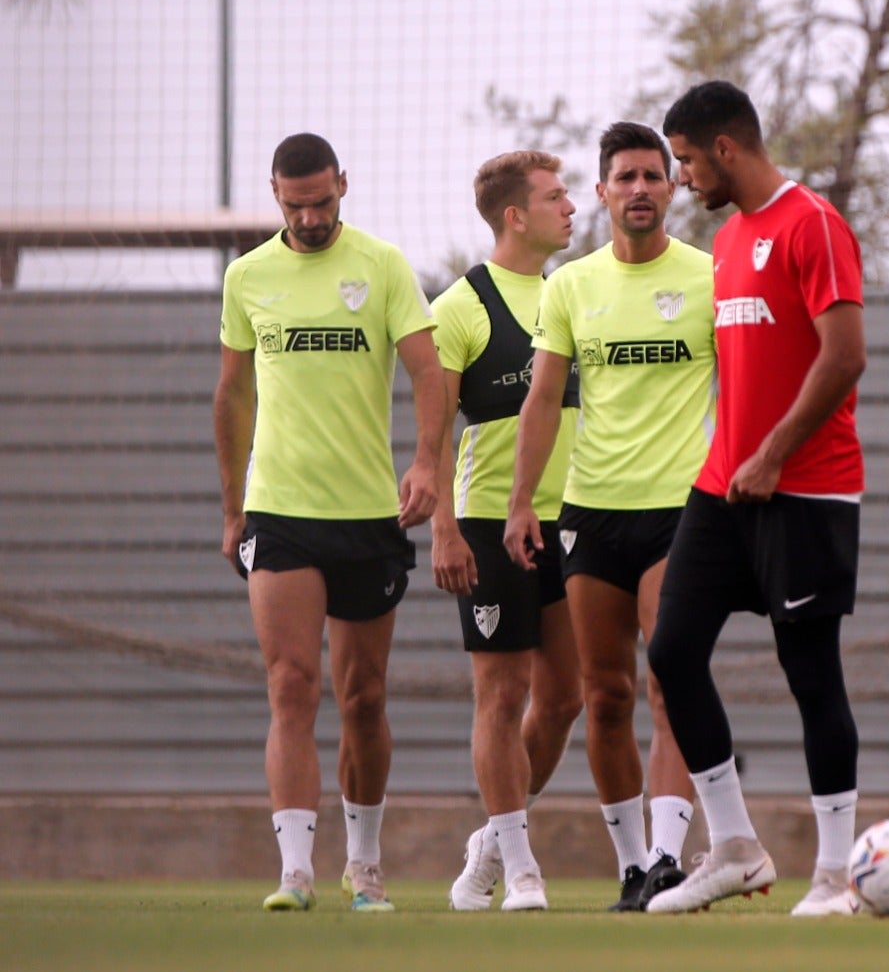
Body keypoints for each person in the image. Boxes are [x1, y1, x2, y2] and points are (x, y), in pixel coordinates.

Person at [642, 81, 867, 917]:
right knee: (670, 652)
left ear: (726, 150)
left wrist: (774, 454)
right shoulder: (730, 239)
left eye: (688, 161)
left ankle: (836, 876)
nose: (683, 178)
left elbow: (845, 357)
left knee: (810, 670)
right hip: (723, 485)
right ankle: (735, 845)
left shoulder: (813, 224)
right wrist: (742, 459)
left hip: (806, 486)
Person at [213, 132, 447, 913]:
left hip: (366, 513)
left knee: (364, 697)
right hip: (280, 509)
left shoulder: (381, 267)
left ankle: (366, 862)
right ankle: (295, 871)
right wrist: (232, 507)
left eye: (321, 200)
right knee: (290, 684)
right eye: (294, 204)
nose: (310, 216)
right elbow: (232, 398)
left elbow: (428, 373)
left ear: (343, 184)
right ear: (276, 195)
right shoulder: (247, 277)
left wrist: (425, 466)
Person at [503, 122, 712, 912]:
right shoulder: (570, 286)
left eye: (654, 176)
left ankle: (668, 854)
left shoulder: (709, 277)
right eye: (624, 177)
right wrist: (521, 502)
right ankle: (632, 864)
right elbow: (542, 400)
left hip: (682, 509)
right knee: (606, 693)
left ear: (673, 187)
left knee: (671, 679)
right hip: (589, 513)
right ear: (601, 192)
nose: (639, 189)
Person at [429, 150, 583, 912]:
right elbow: (432, 437)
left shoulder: (574, 294)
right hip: (492, 523)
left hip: (576, 521)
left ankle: (491, 836)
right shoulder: (460, 305)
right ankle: (519, 865)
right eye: (557, 196)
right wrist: (443, 530)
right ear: (514, 215)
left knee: (565, 698)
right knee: (502, 692)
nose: (573, 206)